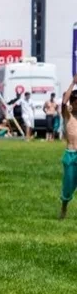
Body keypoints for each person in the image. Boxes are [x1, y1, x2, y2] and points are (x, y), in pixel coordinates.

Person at [61, 79, 77, 219]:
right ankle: (64, 207)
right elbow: (63, 103)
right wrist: (73, 83)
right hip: (70, 154)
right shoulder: (68, 116)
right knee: (68, 184)